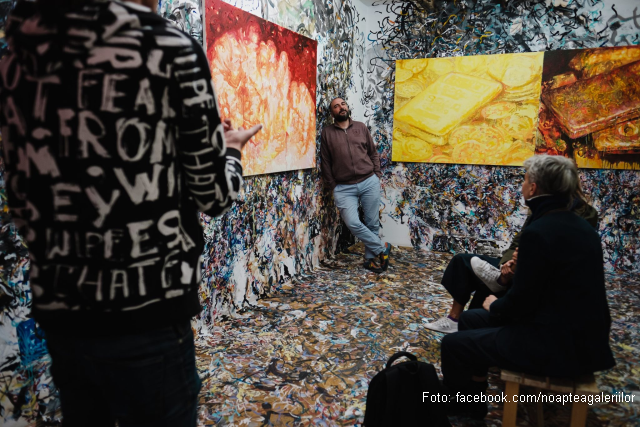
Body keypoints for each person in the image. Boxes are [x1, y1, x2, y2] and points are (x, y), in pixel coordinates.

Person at [0, 0, 262, 425]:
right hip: (147, 309)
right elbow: (214, 196)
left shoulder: (22, 55)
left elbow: (23, 193)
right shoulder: (168, 47)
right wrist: (230, 149)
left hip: (62, 305)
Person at [439, 155, 615, 419]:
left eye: (524, 180)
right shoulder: (581, 227)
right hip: (585, 339)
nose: (522, 185)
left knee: (453, 345)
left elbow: (522, 301)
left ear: (533, 188)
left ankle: (460, 406)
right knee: (470, 320)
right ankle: (473, 399)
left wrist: (495, 305)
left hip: (555, 346)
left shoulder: (540, 230)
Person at [424, 176, 598, 334]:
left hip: (535, 273)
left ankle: (497, 285)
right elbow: (518, 241)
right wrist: (506, 263)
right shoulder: (539, 209)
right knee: (462, 261)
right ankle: (455, 318)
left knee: (488, 285)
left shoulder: (585, 214)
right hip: (518, 263)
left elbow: (555, 253)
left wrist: (517, 265)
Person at [320, 97, 391, 273]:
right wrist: (333, 185)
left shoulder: (360, 127)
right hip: (344, 187)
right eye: (336, 106)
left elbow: (373, 153)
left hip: (368, 181)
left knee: (372, 223)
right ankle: (382, 247)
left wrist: (377, 175)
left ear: (347, 106)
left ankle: (371, 259)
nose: (341, 107)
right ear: (332, 113)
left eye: (343, 104)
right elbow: (326, 162)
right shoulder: (327, 133)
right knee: (352, 222)